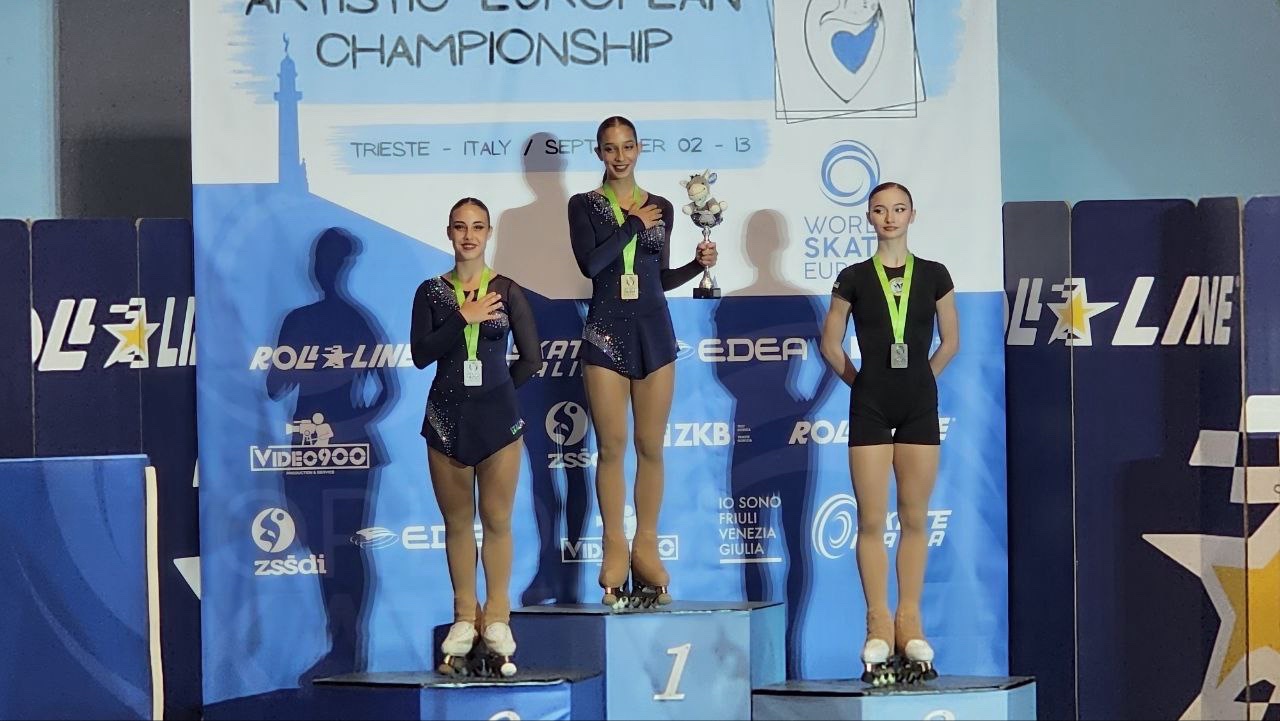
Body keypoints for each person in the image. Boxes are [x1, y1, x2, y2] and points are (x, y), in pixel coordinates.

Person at [567, 116, 718, 607]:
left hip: (654, 332)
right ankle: (614, 546)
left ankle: (646, 547)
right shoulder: (584, 205)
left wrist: (697, 266)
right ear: (598, 153)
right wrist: (632, 223)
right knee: (612, 447)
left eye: (628, 146)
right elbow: (592, 265)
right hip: (606, 333)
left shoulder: (663, 207)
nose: (620, 156)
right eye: (611, 148)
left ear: (639, 149)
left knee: (651, 446)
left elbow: (657, 276)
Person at [819, 182, 959, 684]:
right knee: (872, 520)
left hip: (919, 407)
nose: (890, 217)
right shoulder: (854, 276)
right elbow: (830, 343)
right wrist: (862, 384)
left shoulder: (935, 275)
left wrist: (922, 381)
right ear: (869, 217)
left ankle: (910, 622)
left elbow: (951, 341)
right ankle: (877, 623)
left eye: (899, 209)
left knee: (915, 518)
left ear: (912, 215)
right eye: (880, 210)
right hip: (870, 408)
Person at [410, 197, 541, 676]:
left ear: (488, 234)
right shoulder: (431, 292)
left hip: (498, 423)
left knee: (498, 521)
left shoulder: (506, 290)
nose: (469, 235)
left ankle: (498, 617)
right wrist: (461, 319)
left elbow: (531, 358)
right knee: (458, 524)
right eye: (461, 227)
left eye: (478, 227)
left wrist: (498, 394)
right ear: (449, 232)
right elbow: (421, 354)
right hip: (445, 421)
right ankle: (465, 617)